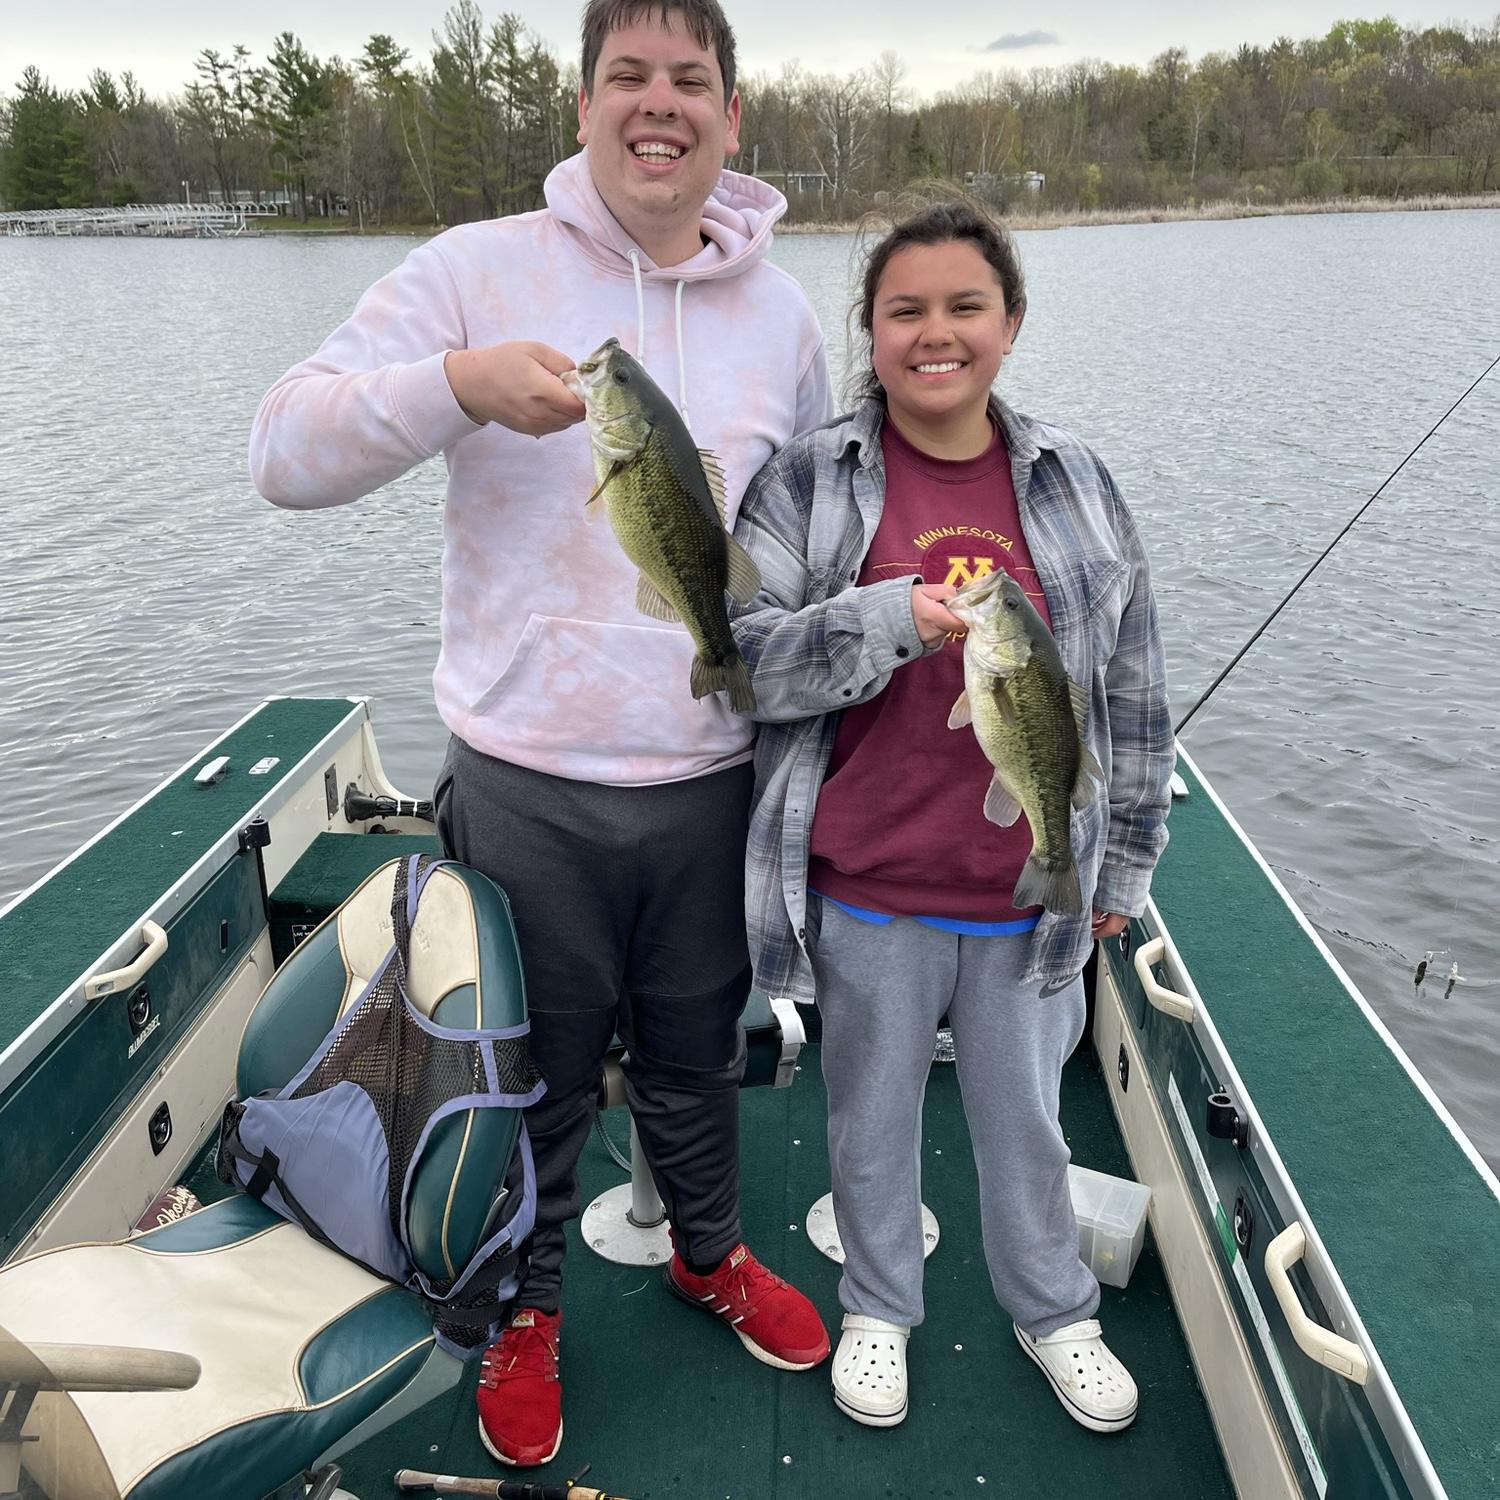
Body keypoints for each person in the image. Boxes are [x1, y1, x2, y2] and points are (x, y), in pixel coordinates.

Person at [249, 0, 833, 1468]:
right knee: (537, 1075)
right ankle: (525, 1304)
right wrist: (451, 388)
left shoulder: (785, 317)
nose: (659, 103)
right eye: (627, 75)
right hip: (529, 786)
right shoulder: (476, 269)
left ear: (732, 116)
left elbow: (815, 534)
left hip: (713, 777)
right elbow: (283, 449)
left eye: (689, 79)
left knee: (698, 1055)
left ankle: (708, 1250)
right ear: (581, 107)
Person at [729, 200, 1172, 1432]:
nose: (937, 333)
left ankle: (1055, 1310)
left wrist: (1123, 863)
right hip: (868, 886)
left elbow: (1134, 689)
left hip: (1029, 895)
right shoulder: (808, 478)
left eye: (966, 306)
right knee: (868, 1122)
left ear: (1010, 323)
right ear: (869, 333)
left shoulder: (1077, 481)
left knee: (1029, 1125)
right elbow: (743, 663)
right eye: (905, 310)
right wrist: (885, 619)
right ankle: (880, 1306)